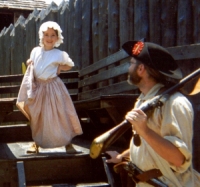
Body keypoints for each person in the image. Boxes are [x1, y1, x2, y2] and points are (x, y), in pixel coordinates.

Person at [105, 40, 200, 186]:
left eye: (131, 63)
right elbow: (147, 146)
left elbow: (179, 159)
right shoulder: (143, 101)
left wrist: (145, 131)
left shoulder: (175, 103)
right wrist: (121, 156)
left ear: (141, 69)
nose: (129, 68)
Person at [16, 21, 83, 154]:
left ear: (57, 38)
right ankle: (37, 142)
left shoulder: (59, 54)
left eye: (53, 35)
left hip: (54, 88)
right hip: (39, 88)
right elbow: (33, 62)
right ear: (42, 36)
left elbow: (69, 65)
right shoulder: (36, 51)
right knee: (37, 116)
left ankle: (67, 142)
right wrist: (30, 62)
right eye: (46, 35)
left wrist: (60, 67)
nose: (49, 38)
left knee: (61, 114)